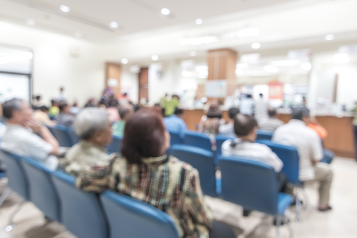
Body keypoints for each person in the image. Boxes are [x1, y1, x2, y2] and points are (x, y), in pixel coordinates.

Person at [75, 109, 213, 237]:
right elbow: (204, 219)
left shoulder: (114, 164)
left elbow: (83, 181)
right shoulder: (183, 173)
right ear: (157, 139)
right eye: (163, 130)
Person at [273, 107, 333, 212]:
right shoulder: (311, 134)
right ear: (305, 118)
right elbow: (317, 159)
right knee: (328, 172)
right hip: (302, 174)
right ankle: (323, 204)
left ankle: (291, 197)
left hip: (283, 172)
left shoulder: (279, 130)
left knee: (290, 166)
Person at [0, 99, 59, 170]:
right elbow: (55, 150)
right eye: (28, 109)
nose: (32, 111)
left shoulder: (6, 131)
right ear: (17, 114)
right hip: (47, 175)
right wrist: (43, 129)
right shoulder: (24, 137)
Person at [64, 108, 114, 176]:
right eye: (110, 127)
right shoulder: (105, 164)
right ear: (98, 135)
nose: (112, 131)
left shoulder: (70, 153)